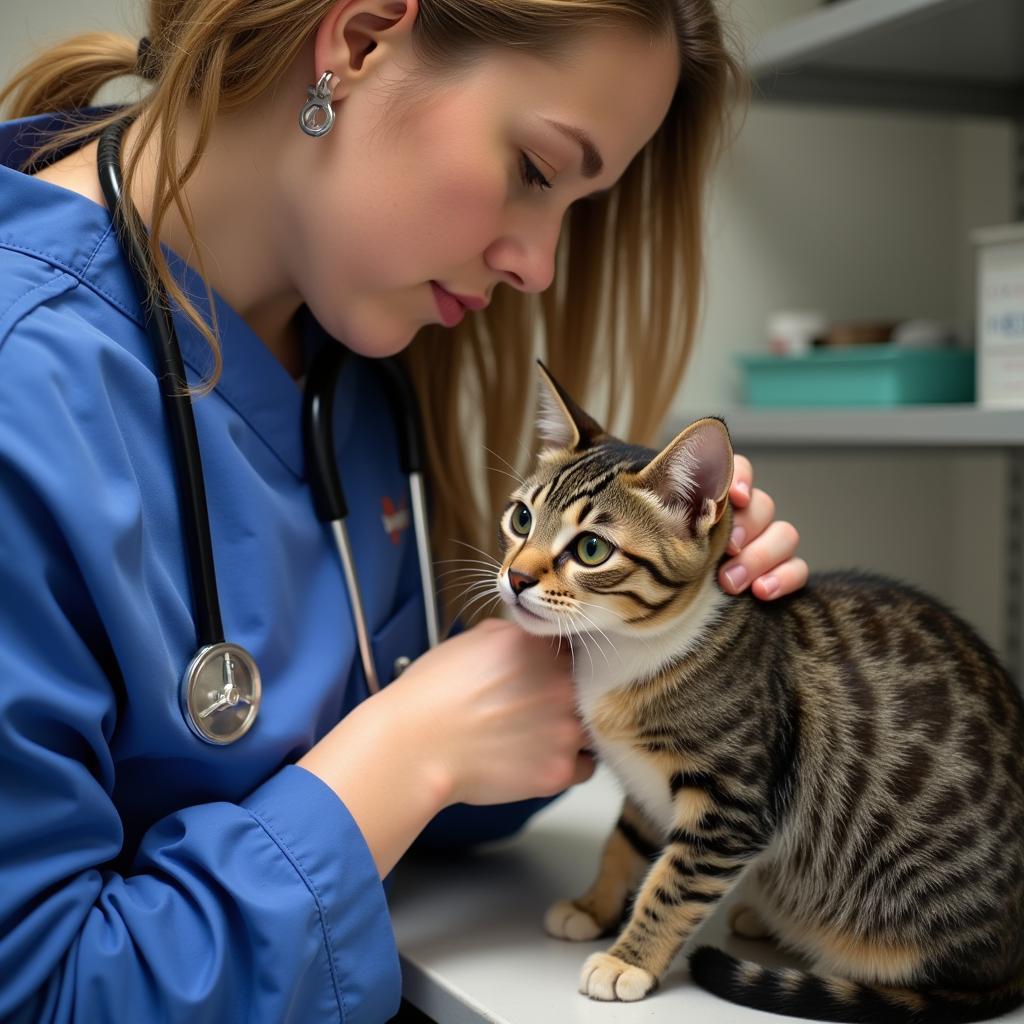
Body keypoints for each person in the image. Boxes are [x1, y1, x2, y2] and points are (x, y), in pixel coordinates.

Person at [0, 1, 809, 1020]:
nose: (538, 266)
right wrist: (406, 754)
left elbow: (435, 807)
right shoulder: (20, 381)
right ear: (363, 39)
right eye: (535, 170)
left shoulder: (345, 361)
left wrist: (651, 649)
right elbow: (40, 992)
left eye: (577, 207)